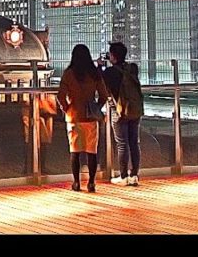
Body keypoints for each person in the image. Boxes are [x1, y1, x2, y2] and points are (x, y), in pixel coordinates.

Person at [57, 44, 109, 193]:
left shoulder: (69, 74)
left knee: (75, 151)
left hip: (73, 116)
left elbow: (60, 96)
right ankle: (91, 182)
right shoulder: (94, 74)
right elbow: (104, 96)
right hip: (90, 118)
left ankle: (76, 182)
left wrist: (67, 108)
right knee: (91, 151)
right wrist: (96, 108)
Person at [102, 42, 143, 186]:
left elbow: (102, 83)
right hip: (134, 109)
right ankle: (135, 175)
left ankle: (123, 175)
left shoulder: (109, 72)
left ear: (113, 56)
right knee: (134, 142)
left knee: (122, 144)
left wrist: (101, 65)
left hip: (119, 112)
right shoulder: (133, 68)